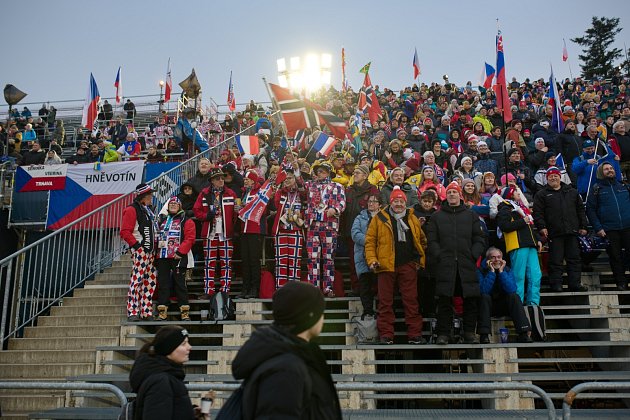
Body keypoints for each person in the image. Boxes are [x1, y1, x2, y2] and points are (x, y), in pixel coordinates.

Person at [231, 282, 342, 419]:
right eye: (321, 312)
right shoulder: (286, 370)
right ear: (309, 315)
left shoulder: (295, 357)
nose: (322, 318)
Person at [365, 186, 427, 344]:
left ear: (405, 202)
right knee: (385, 302)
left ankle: (415, 334)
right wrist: (372, 259)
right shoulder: (379, 218)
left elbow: (421, 239)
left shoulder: (412, 218)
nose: (399, 203)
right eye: (396, 200)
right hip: (385, 265)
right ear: (390, 202)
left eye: (401, 200)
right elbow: (370, 242)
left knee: (411, 301)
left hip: (408, 265)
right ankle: (386, 334)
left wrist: (418, 259)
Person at [426, 182, 486, 345]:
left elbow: (479, 239)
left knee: (470, 301)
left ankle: (469, 333)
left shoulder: (471, 215)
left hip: (466, 265)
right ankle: (443, 334)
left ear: (460, 195)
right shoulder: (437, 217)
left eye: (455, 192)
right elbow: (432, 241)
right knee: (444, 301)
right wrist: (439, 256)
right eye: (449, 192)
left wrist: (473, 255)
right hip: (445, 265)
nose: (452, 194)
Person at [533, 167, 589, 292]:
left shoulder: (572, 192)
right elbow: (538, 213)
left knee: (574, 259)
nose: (553, 178)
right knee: (555, 261)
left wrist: (583, 226)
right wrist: (542, 227)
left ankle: (575, 284)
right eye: (550, 176)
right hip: (554, 233)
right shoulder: (541, 194)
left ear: (560, 176)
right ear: (546, 179)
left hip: (572, 232)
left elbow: (580, 210)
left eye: (555, 175)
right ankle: (556, 285)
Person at [129, 326, 202, 420]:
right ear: (169, 349)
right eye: (183, 344)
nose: (189, 347)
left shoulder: (168, 376)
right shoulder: (160, 382)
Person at [193, 168, 237, 298]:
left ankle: (225, 290)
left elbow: (236, 213)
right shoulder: (204, 193)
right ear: (212, 180)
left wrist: (233, 223)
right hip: (210, 233)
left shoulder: (231, 193)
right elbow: (196, 210)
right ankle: (208, 291)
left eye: (222, 178)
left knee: (226, 263)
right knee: (209, 263)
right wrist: (206, 216)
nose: (221, 180)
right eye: (218, 178)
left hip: (225, 234)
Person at [586, 162, 630, 290]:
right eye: (606, 169)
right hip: (609, 229)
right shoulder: (596, 189)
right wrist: (598, 228)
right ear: (601, 172)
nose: (610, 170)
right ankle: (621, 283)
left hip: (627, 227)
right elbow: (591, 210)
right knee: (615, 257)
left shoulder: (624, 186)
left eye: (611, 168)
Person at [304, 162, 346, 296]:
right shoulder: (311, 185)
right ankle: (313, 288)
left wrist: (335, 209)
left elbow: (342, 202)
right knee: (312, 258)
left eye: (322, 171)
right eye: (318, 171)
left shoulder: (337, 186)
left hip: (329, 226)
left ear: (329, 172)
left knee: (328, 258)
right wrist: (296, 167)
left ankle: (328, 288)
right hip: (313, 225)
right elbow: (298, 182)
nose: (319, 173)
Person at [496, 185, 543, 305]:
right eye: (516, 191)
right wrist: (523, 221)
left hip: (530, 244)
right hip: (517, 245)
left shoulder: (521, 208)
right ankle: (518, 305)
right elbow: (505, 226)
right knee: (519, 277)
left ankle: (534, 304)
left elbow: (530, 227)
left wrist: (538, 239)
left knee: (535, 276)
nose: (519, 193)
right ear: (510, 193)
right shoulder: (504, 208)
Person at [476, 247, 533, 343]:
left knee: (514, 297)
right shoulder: (480, 271)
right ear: (488, 260)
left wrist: (501, 272)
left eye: (499, 257)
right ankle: (484, 335)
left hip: (503, 305)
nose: (496, 260)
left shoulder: (507, 270)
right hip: (486, 307)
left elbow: (512, 289)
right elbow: (484, 290)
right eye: (493, 257)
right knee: (484, 297)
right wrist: (492, 272)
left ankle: (523, 333)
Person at [120, 184, 158, 321]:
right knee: (137, 280)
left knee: (150, 281)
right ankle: (132, 311)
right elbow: (124, 231)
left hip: (151, 250)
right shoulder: (131, 209)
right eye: (149, 195)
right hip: (141, 250)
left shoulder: (148, 210)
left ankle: (146, 311)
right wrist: (137, 246)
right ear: (143, 196)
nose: (151, 197)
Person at [155, 197, 196, 321]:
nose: (173, 205)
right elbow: (155, 236)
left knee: (180, 284)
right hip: (162, 256)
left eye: (175, 204)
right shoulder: (161, 220)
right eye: (171, 204)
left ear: (180, 206)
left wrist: (180, 252)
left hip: (177, 256)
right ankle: (162, 311)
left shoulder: (186, 220)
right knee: (163, 284)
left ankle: (184, 311)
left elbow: (190, 238)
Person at [271, 171, 307, 289]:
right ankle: (280, 288)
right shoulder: (280, 193)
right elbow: (275, 206)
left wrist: (301, 214)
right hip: (281, 230)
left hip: (296, 230)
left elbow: (307, 201)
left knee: (295, 261)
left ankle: (294, 288)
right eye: (285, 179)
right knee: (281, 261)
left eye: (290, 178)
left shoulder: (300, 193)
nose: (287, 180)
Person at [351, 192, 381, 317]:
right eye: (369, 201)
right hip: (362, 256)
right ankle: (368, 310)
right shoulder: (360, 217)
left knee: (381, 285)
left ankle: (381, 311)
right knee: (365, 285)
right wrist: (371, 241)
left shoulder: (384, 217)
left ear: (380, 205)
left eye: (374, 201)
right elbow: (355, 234)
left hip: (380, 256)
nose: (371, 204)